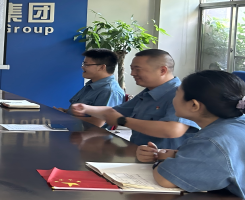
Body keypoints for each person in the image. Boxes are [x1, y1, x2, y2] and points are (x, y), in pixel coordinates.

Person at [136, 70, 245, 200]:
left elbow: (166, 178)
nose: (173, 98)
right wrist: (170, 154)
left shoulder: (213, 141)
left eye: (177, 93)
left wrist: (159, 162)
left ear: (194, 105)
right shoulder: (240, 121)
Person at [71, 49, 199, 149]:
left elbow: (172, 130)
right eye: (132, 69)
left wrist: (123, 121)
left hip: (166, 162)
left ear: (162, 70)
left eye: (137, 69)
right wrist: (86, 108)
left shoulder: (181, 94)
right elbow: (114, 112)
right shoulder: (148, 93)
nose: (132, 74)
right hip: (140, 156)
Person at [57, 48, 125, 127]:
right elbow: (80, 113)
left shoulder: (109, 91)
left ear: (101, 67)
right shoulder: (91, 85)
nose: (82, 67)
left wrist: (66, 118)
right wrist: (63, 112)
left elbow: (97, 123)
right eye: (83, 64)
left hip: (90, 134)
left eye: (86, 65)